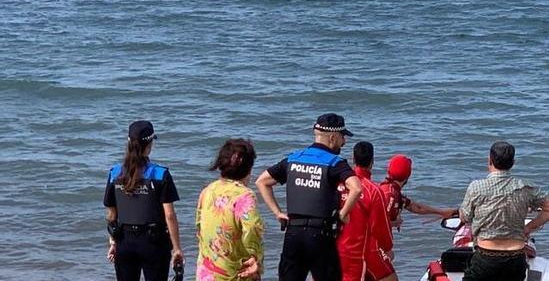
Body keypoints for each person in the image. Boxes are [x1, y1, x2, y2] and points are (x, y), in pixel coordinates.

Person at [255, 113, 363, 281]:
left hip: (293, 234)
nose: (344, 142)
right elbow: (356, 188)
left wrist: (277, 212)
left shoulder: (293, 159)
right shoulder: (334, 162)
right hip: (321, 235)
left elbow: (262, 182)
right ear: (333, 137)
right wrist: (342, 215)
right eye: (343, 137)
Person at [458, 141, 549, 281]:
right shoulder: (524, 187)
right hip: (516, 257)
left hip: (486, 256)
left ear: (489, 160)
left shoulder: (476, 187)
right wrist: (528, 228)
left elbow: (464, 217)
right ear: (513, 162)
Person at [103, 120, 184, 281]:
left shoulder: (115, 173)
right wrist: (176, 249)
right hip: (153, 243)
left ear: (128, 142)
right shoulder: (160, 174)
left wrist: (113, 242)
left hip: (124, 242)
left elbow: (111, 215)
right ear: (150, 144)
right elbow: (169, 216)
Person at [372, 154, 457, 281]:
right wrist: (395, 222)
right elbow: (377, 223)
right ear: (408, 175)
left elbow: (414, 207)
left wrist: (441, 212)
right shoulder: (390, 194)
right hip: (374, 248)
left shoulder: (391, 190)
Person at [196, 139, 265, 281]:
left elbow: (199, 227)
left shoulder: (208, 190)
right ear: (249, 169)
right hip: (235, 273)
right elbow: (252, 227)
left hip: (207, 272)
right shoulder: (244, 195)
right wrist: (255, 257)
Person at [337, 142, 393, 281]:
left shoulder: (338, 184)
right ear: (372, 161)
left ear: (353, 159)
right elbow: (381, 229)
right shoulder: (373, 190)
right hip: (358, 253)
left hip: (331, 247)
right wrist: (387, 248)